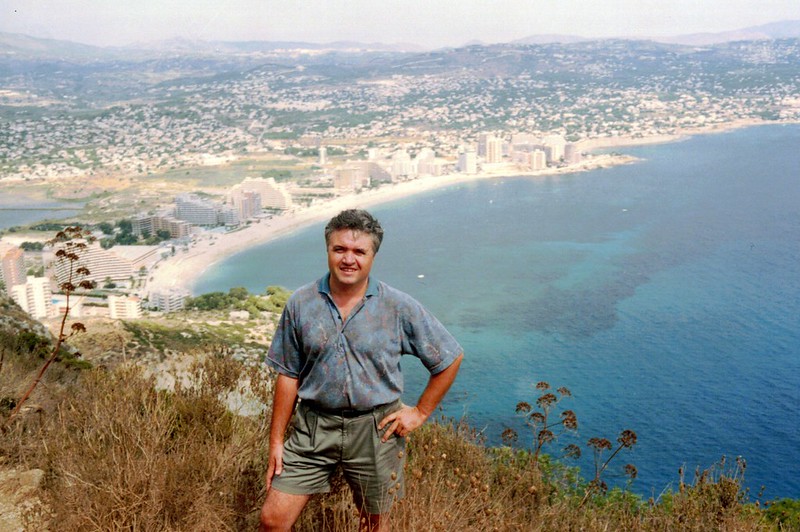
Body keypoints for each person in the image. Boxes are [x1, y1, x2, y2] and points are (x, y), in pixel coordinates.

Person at [259, 209, 463, 532]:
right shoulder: (300, 303)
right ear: (328, 250)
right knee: (272, 520)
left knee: (375, 526)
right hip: (313, 427)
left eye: (358, 251)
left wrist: (420, 412)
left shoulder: (397, 306)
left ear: (372, 255)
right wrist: (276, 441)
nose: (348, 259)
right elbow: (288, 374)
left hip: (376, 430)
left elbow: (449, 357)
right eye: (340, 249)